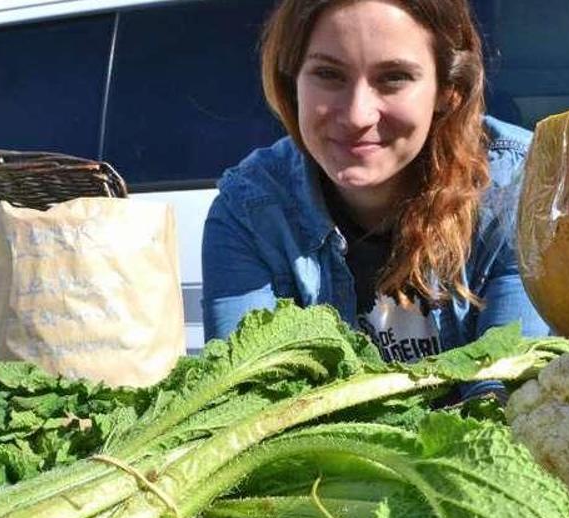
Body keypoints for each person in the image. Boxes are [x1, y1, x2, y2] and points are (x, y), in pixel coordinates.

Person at [201, 0, 548, 375]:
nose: (356, 115)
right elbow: (250, 396)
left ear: (448, 90)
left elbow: (504, 390)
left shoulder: (521, 189)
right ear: (292, 81)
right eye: (329, 75)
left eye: (393, 77)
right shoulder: (249, 211)